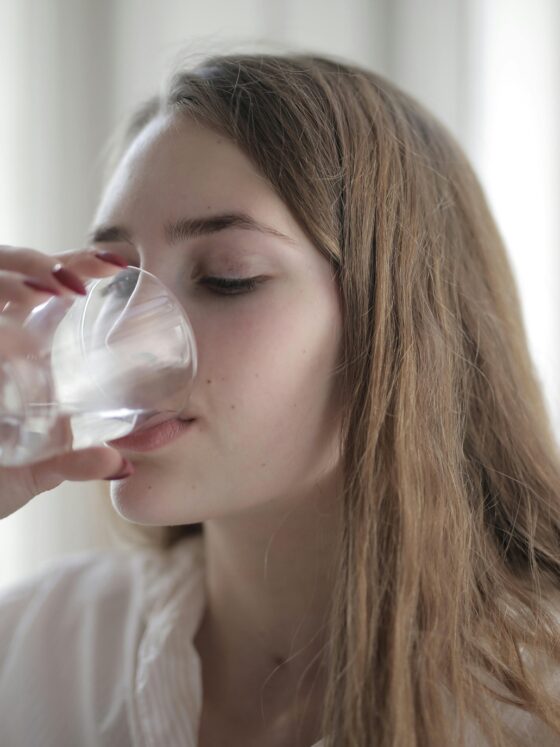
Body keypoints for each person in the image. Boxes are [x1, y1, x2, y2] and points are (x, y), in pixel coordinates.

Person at [0, 51, 559, 747]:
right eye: (117, 281)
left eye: (228, 276)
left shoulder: (534, 705)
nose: (126, 340)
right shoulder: (39, 654)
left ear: (399, 328)